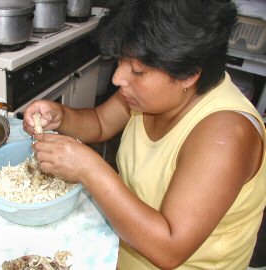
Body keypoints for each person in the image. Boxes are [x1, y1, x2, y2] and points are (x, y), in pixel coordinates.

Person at [22, 0, 266, 269]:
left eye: (138, 71)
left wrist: (89, 169)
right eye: (122, 62)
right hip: (121, 247)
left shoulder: (226, 136)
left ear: (188, 74)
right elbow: (101, 122)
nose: (118, 78)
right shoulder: (150, 95)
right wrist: (62, 116)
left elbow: (169, 249)